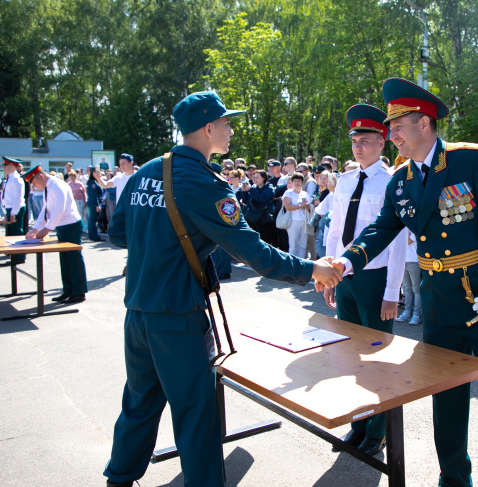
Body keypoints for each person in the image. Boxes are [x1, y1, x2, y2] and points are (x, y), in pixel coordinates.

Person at [102, 91, 341, 487]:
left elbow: (116, 234)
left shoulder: (146, 171)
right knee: (196, 412)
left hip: (138, 311)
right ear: (208, 128)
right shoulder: (203, 182)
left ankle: (120, 478)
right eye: (226, 123)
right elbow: (254, 252)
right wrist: (312, 268)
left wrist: (162, 246)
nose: (231, 131)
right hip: (177, 316)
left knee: (140, 402)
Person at [332, 79, 478, 487]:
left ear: (424, 123)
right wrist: (343, 263)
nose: (392, 135)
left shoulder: (470, 159)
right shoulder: (400, 180)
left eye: (398, 125)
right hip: (438, 303)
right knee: (447, 398)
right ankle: (454, 479)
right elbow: (380, 229)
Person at [321, 104, 406, 456]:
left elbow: (398, 241)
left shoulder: (393, 182)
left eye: (366, 140)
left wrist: (392, 292)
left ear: (382, 143)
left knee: (378, 357)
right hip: (345, 276)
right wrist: (327, 272)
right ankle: (357, 423)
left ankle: (378, 429)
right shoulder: (344, 181)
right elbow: (335, 230)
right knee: (350, 354)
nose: (358, 147)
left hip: (376, 278)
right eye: (355, 140)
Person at [23, 165, 87, 304]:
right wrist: (35, 229)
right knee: (65, 260)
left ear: (40, 176)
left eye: (34, 183)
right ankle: (68, 290)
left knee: (73, 259)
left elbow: (59, 209)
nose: (35, 186)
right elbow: (46, 211)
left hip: (71, 225)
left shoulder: (57, 185)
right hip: (63, 226)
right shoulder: (49, 186)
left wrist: (46, 229)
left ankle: (79, 292)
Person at [1, 157, 27, 264]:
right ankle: (15, 255)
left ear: (12, 166)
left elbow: (18, 198)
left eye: (5, 165)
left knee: (17, 232)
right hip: (10, 208)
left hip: (16, 208)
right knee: (12, 233)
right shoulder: (10, 178)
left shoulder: (16, 179)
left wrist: (13, 213)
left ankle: (20, 257)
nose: (3, 167)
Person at [282, 173, 312, 257]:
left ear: (302, 182)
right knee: (293, 245)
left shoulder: (305, 194)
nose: (297, 183)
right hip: (293, 221)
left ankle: (301, 264)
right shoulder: (288, 193)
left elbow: (310, 207)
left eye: (299, 181)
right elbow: (287, 207)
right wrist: (300, 206)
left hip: (304, 221)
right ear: (292, 182)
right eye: (295, 181)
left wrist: (307, 207)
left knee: (303, 245)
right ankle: (293, 265)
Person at [395, 230, 422, 325]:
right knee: (407, 289)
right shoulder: (404, 229)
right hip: (403, 261)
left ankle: (417, 314)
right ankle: (407, 312)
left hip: (414, 261)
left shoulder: (413, 228)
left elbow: (407, 241)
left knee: (416, 289)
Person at [86, 167, 105, 242]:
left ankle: (92, 236)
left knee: (92, 220)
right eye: (95, 172)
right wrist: (97, 205)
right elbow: (94, 195)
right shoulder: (93, 183)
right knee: (93, 220)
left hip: (92, 203)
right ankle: (94, 236)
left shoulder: (93, 182)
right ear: (92, 173)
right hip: (94, 203)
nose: (97, 173)